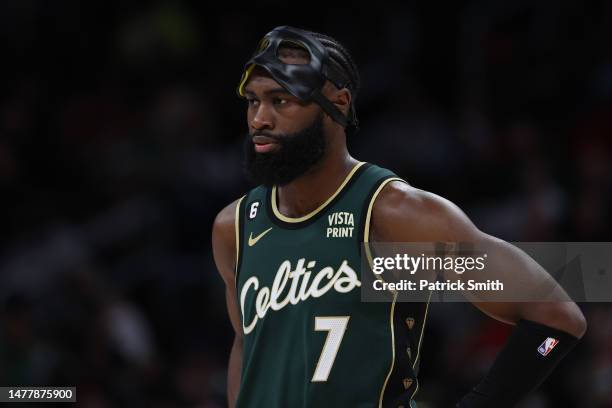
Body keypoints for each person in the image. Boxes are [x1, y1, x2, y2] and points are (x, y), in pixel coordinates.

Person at [211, 26, 587, 408]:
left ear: (337, 104)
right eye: (252, 101)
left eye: (281, 100)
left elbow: (556, 318)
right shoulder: (235, 227)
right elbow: (245, 348)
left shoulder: (393, 214)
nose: (259, 119)